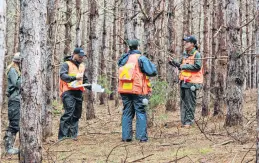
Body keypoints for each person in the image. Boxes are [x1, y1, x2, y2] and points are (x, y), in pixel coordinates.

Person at [118, 40, 157, 142]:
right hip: (137, 89)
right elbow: (152, 72)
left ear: (129, 47)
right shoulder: (141, 58)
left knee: (127, 112)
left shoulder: (124, 58)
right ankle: (141, 137)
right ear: (137, 47)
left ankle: (126, 137)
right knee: (140, 112)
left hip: (124, 89)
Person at [168, 36, 203, 128]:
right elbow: (179, 65)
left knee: (190, 102)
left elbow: (197, 67)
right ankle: (183, 121)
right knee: (183, 102)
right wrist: (172, 62)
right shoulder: (185, 55)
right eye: (185, 42)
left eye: (187, 42)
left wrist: (183, 66)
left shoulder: (197, 54)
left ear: (192, 44)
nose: (185, 43)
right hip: (183, 82)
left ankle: (189, 122)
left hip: (192, 83)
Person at [58, 47, 91, 140]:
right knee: (69, 112)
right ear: (74, 55)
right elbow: (63, 75)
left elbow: (84, 78)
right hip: (68, 91)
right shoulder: (66, 64)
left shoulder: (82, 66)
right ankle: (63, 136)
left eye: (82, 57)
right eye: (80, 56)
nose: (81, 58)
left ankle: (73, 135)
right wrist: (74, 78)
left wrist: (89, 85)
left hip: (79, 92)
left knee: (77, 114)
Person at [4, 52, 21, 154]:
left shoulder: (17, 69)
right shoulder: (13, 70)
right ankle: (8, 147)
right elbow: (17, 83)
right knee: (14, 124)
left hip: (18, 99)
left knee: (18, 123)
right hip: (14, 100)